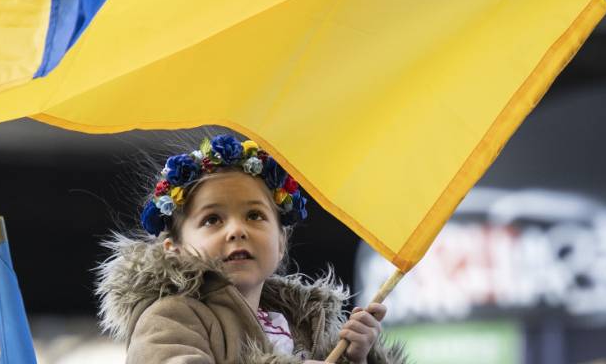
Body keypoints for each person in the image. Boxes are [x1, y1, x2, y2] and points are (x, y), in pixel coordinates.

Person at [95, 133, 407, 363]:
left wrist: (355, 358)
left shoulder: (302, 326)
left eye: (254, 215)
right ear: (173, 249)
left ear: (281, 242)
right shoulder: (169, 316)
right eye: (213, 219)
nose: (237, 230)